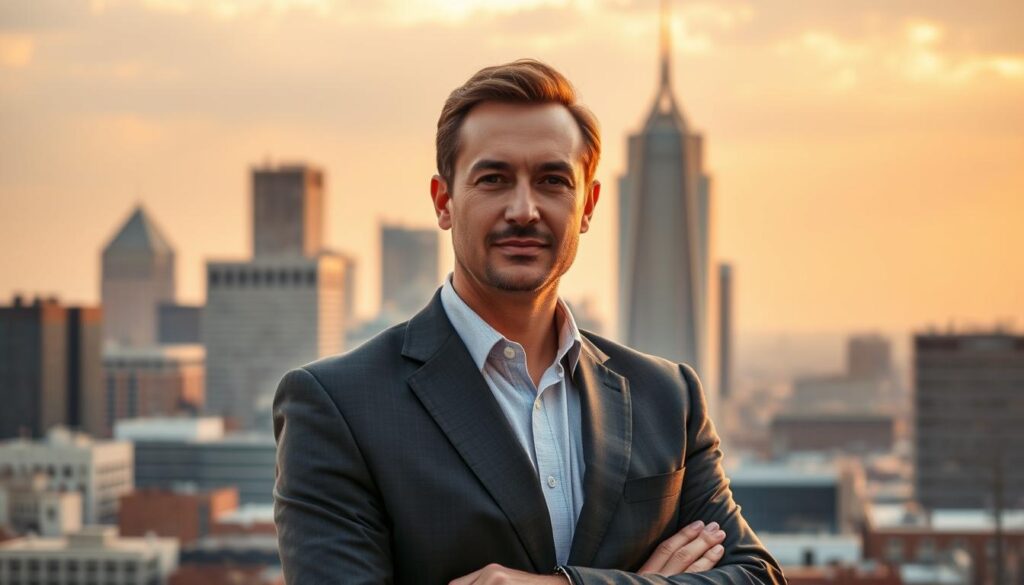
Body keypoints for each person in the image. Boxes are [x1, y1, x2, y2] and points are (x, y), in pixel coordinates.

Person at [273, 59, 785, 585]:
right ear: (443, 200)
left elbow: (756, 578)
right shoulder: (337, 406)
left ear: (587, 204)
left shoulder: (666, 397)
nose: (524, 209)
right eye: (494, 179)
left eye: (551, 180)